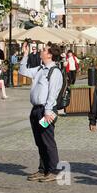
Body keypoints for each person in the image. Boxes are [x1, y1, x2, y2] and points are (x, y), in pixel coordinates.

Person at [19, 41, 63, 182]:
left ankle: (54, 170)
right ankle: (43, 169)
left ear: (49, 54)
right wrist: (25, 55)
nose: (41, 51)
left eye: (44, 50)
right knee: (39, 140)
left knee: (47, 140)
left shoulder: (54, 71)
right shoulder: (40, 69)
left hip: (47, 111)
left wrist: (48, 111)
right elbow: (23, 71)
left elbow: (53, 93)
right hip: (36, 110)